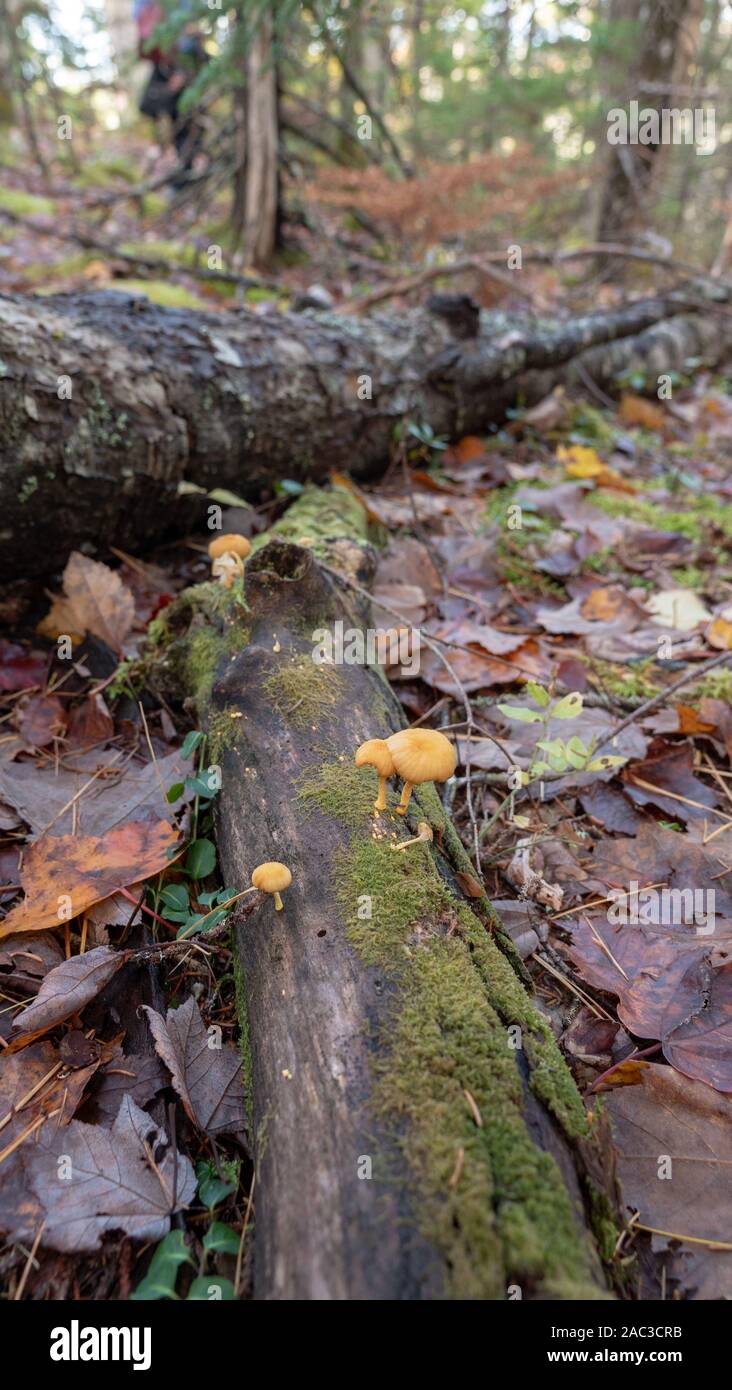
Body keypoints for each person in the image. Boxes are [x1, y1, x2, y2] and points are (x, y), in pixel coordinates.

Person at [134, 1, 206, 191]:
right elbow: (143, 28)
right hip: (165, 61)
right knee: (164, 111)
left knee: (188, 122)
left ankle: (185, 179)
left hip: (183, 61)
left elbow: (192, 23)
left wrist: (184, 70)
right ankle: (175, 170)